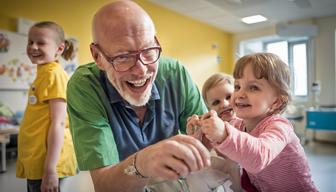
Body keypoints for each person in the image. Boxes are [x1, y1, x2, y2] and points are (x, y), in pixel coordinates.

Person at [66, 1, 210, 191]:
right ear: (97, 56)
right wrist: (141, 163)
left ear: (157, 43)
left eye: (149, 51)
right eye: (123, 57)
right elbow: (103, 185)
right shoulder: (85, 86)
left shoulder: (175, 73)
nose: (141, 71)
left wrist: (224, 134)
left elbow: (207, 143)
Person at [188, 53, 318, 191]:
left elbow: (259, 157)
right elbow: (219, 146)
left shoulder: (279, 126)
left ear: (276, 101)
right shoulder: (237, 124)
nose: (240, 94)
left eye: (253, 87)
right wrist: (201, 134)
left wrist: (223, 134)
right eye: (237, 87)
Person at [16, 21, 77, 192]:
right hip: (38, 158)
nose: (33, 47)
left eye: (41, 42)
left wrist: (50, 170)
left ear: (59, 49)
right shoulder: (43, 72)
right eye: (30, 42)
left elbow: (58, 123)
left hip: (48, 163)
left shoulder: (54, 75)